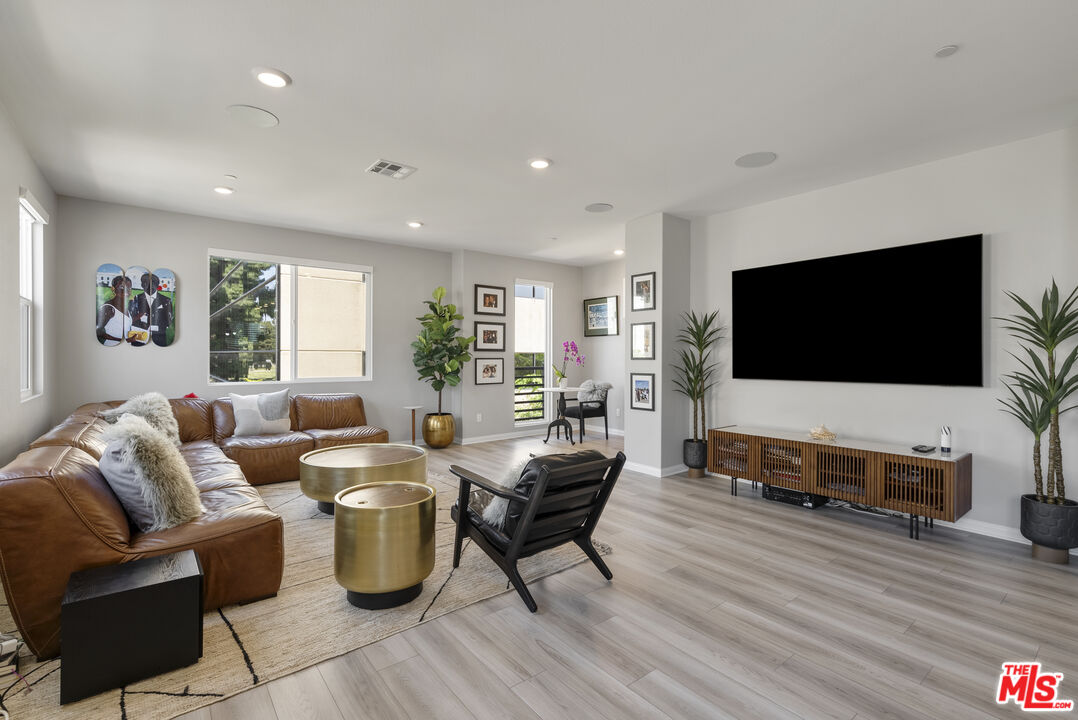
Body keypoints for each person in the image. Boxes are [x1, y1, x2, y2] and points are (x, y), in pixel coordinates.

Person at [128, 272, 175, 346]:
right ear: (142, 285)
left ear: (157, 285)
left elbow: (168, 321)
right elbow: (130, 320)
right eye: (146, 282)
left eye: (153, 282)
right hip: (139, 337)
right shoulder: (135, 299)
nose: (150, 285)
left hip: (159, 338)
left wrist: (154, 326)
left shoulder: (166, 301)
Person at [96, 275, 131, 345]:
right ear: (113, 288)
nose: (126, 290)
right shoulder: (108, 307)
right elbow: (98, 332)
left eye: (129, 287)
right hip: (112, 346)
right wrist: (122, 340)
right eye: (121, 287)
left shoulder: (124, 306)